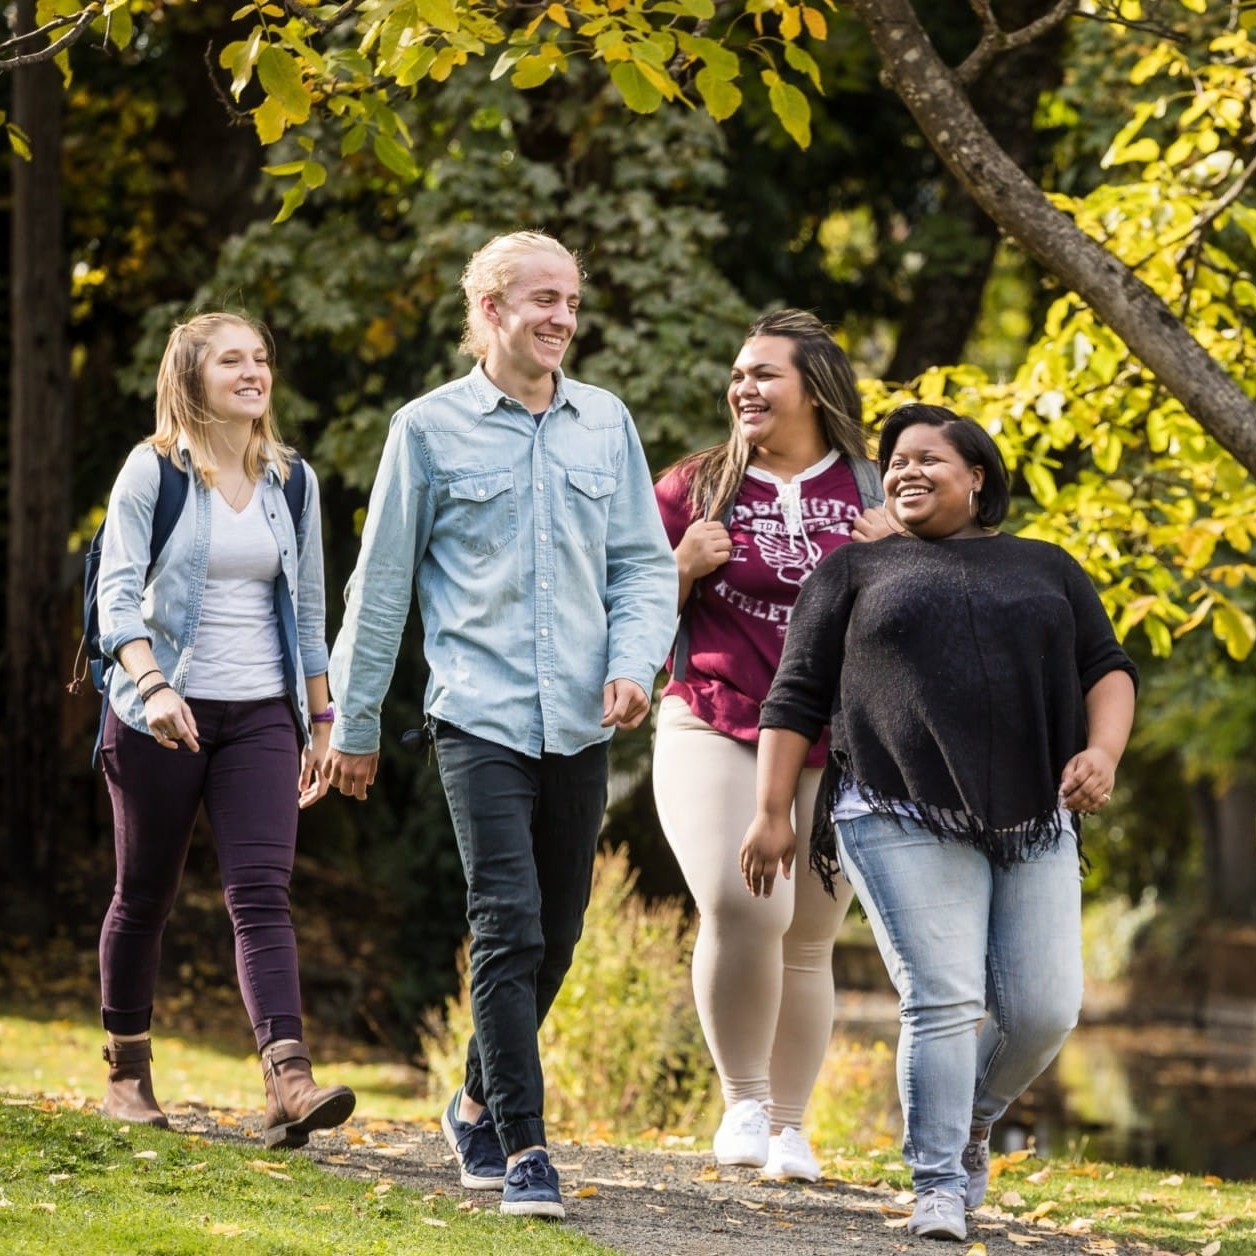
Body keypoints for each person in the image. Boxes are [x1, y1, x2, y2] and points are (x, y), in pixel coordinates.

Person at [324, 230, 677, 1219]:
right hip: (475, 715)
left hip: (578, 718)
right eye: (540, 300)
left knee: (555, 932)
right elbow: (381, 584)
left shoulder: (603, 422)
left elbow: (643, 568)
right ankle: (524, 1147)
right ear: (490, 310)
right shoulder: (426, 429)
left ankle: (474, 1094)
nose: (560, 316)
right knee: (506, 922)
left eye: (569, 298)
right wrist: (353, 723)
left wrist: (631, 663)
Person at [742, 403, 1137, 1242]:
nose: (907, 470)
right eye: (896, 461)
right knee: (944, 998)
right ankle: (936, 1186)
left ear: (977, 477)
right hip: (894, 805)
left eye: (929, 458)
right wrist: (772, 810)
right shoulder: (852, 572)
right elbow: (796, 696)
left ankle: (967, 1125)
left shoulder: (1049, 568)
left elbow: (1107, 668)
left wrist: (1102, 753)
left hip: (1034, 813)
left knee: (1042, 1010)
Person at [94, 312, 355, 1148]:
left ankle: (287, 1077)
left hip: (258, 717)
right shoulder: (154, 471)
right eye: (232, 361)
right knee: (145, 896)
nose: (253, 373)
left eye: (261, 359)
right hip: (158, 714)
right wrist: (153, 684)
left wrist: (321, 717)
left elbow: (308, 609)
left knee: (262, 895)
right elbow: (116, 594)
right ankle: (127, 1072)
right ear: (192, 378)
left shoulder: (293, 480)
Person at [652, 309, 890, 1181]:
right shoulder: (693, 486)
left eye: (765, 375)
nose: (743, 388)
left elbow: (930, 618)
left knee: (809, 935)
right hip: (713, 713)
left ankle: (790, 1127)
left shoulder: (874, 490)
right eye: (739, 374)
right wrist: (679, 567)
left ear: (814, 389)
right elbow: (621, 613)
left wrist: (896, 557)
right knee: (743, 902)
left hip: (841, 740)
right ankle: (743, 1101)